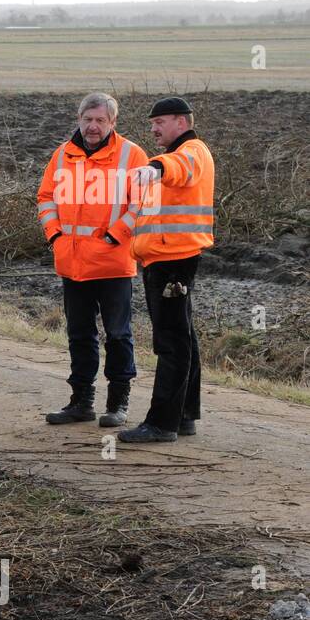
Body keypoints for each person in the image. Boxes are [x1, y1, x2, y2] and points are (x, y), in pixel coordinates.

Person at [36, 92, 148, 427]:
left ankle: (118, 404)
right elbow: (45, 197)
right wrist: (54, 235)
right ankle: (81, 403)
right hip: (72, 264)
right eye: (88, 119)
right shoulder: (62, 155)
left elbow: (142, 204)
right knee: (79, 335)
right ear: (79, 119)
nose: (93, 126)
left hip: (113, 264)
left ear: (113, 122)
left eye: (100, 120)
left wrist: (116, 235)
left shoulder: (132, 155)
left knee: (118, 334)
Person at [118, 96, 215, 444]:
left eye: (159, 122)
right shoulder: (179, 154)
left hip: (174, 260)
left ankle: (161, 423)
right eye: (152, 124)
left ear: (180, 121)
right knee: (183, 336)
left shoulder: (192, 151)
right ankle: (184, 415)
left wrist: (155, 168)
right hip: (166, 258)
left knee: (171, 342)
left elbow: (180, 167)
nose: (154, 129)